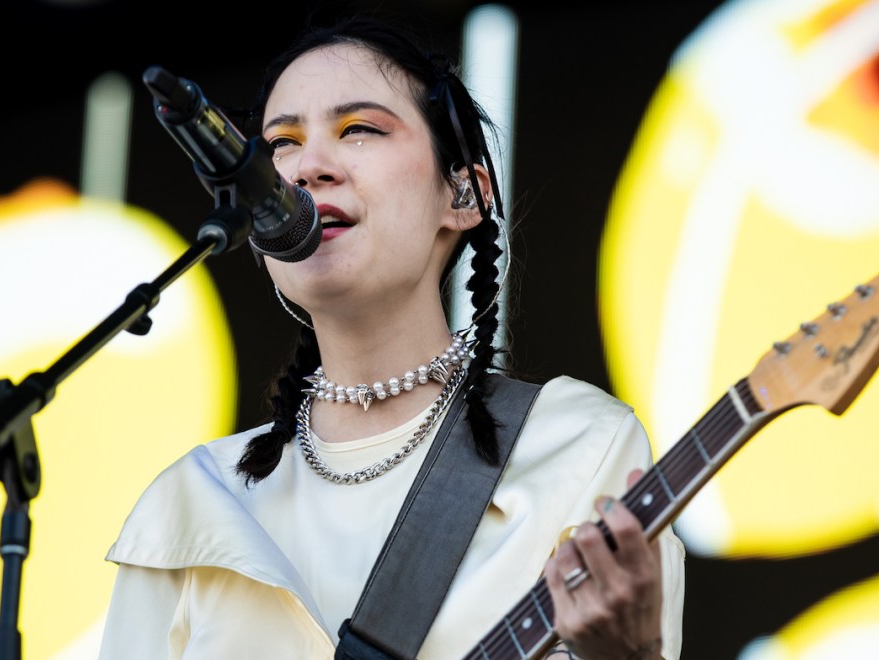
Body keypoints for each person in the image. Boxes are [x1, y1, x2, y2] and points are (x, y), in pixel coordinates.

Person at [99, 14, 685, 660]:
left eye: (359, 130)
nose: (309, 167)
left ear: (463, 194)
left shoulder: (577, 447)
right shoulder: (193, 502)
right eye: (282, 143)